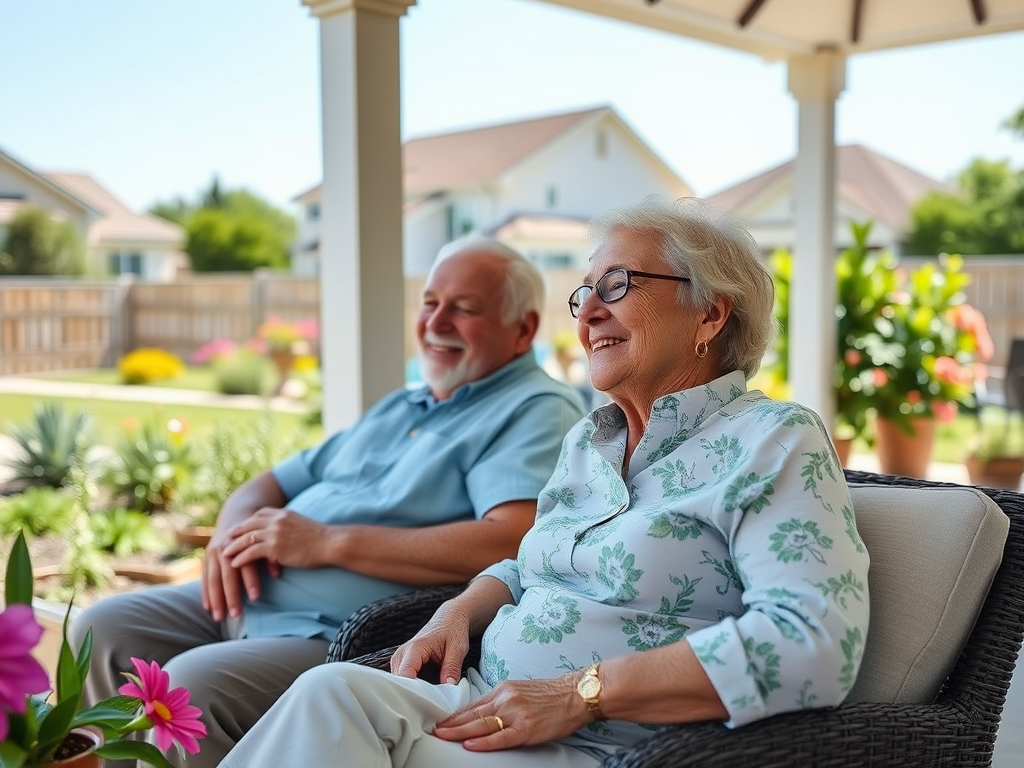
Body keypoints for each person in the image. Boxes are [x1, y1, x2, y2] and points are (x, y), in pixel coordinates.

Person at [220, 196, 871, 768]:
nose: (586, 312)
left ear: (709, 316)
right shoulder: (592, 440)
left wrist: (580, 695)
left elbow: (810, 644)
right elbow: (529, 563)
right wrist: (459, 609)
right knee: (328, 692)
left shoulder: (772, 440)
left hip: (606, 744)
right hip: (483, 706)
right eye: (583, 291)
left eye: (616, 285)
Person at [69, 235, 587, 768]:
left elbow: (513, 537)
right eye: (430, 303)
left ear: (523, 329)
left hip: (329, 629)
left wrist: (326, 542)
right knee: (100, 627)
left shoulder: (534, 408)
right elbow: (266, 484)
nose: (436, 322)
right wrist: (227, 536)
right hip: (241, 598)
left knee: (193, 684)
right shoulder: (405, 404)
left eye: (464, 309)